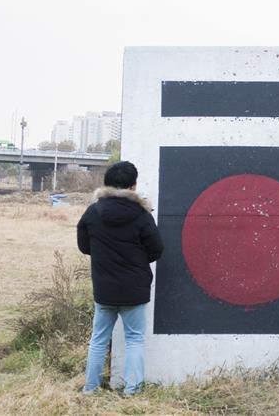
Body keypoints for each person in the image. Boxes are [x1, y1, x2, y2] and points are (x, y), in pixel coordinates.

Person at [77, 161, 163, 395]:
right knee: (134, 340)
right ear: (133, 186)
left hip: (104, 288)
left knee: (98, 340)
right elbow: (156, 251)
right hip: (134, 289)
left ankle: (91, 388)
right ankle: (132, 391)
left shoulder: (93, 212)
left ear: (106, 184)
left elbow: (84, 246)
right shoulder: (142, 215)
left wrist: (104, 253)